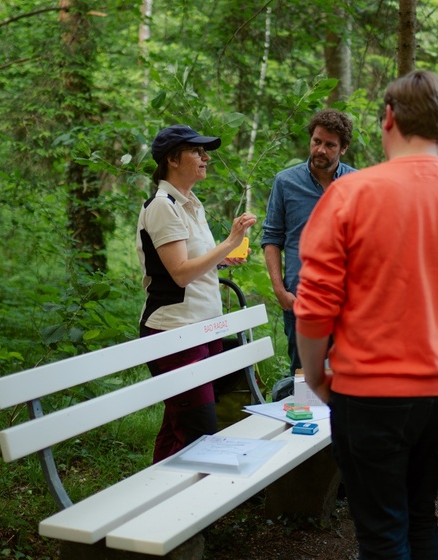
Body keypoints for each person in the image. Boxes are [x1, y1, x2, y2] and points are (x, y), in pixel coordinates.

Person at [294, 70, 438, 560]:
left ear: (388, 119)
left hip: (370, 394)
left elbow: (315, 303)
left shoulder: (349, 195)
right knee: (420, 513)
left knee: (380, 532)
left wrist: (315, 374)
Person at [136, 124, 257, 464]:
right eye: (197, 152)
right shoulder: (163, 206)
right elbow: (179, 273)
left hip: (203, 328)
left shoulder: (189, 204)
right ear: (173, 159)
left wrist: (222, 259)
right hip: (173, 332)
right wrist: (230, 241)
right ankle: (182, 505)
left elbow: (191, 265)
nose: (206, 158)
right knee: (198, 429)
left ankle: (160, 495)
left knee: (179, 423)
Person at [261, 110, 355, 387]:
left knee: (348, 383)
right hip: (301, 302)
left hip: (349, 305)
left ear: (344, 148)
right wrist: (280, 290)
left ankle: (342, 432)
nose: (320, 150)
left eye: (330, 145)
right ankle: (302, 429)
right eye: (316, 141)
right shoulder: (286, 182)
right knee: (304, 387)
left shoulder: (357, 184)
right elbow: (271, 239)